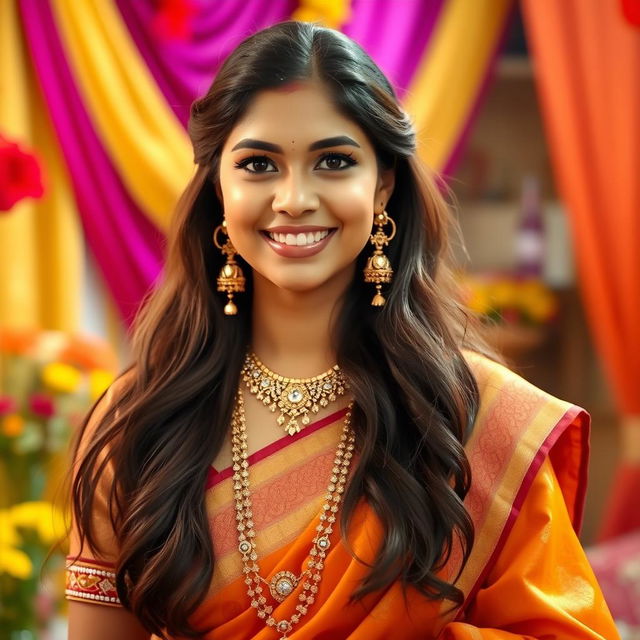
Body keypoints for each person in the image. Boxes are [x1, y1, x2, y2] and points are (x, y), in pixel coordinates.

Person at [65, 20, 619, 640]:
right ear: (218, 188)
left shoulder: (479, 420)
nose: (295, 198)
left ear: (382, 182)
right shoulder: (141, 421)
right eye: (258, 164)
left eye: (333, 161)